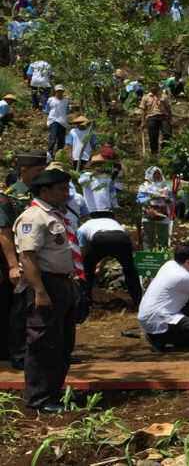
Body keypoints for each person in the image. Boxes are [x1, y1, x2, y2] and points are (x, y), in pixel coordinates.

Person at [13, 168, 79, 412]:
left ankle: (54, 393)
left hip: (63, 282)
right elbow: (28, 257)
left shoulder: (57, 215)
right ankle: (38, 399)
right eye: (61, 189)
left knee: (62, 342)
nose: (66, 193)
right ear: (44, 191)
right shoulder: (34, 217)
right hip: (46, 283)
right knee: (42, 342)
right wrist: (39, 291)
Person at [0, 151, 46, 368]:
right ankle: (19, 355)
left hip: (38, 259)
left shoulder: (40, 195)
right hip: (17, 261)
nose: (42, 174)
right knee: (19, 308)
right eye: (38, 170)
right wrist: (12, 265)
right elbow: (4, 233)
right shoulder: (9, 197)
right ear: (24, 170)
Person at [78, 216, 141, 308]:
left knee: (87, 271)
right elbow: (117, 244)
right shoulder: (113, 222)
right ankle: (137, 300)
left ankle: (86, 301)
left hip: (100, 238)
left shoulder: (82, 228)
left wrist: (90, 265)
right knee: (130, 270)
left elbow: (82, 251)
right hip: (122, 238)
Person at [136, 166, 173, 250]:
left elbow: (172, 201)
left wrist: (166, 198)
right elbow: (139, 200)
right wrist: (153, 196)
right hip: (148, 213)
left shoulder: (166, 186)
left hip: (163, 213)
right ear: (150, 175)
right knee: (148, 236)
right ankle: (148, 255)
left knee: (163, 236)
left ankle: (163, 255)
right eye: (154, 174)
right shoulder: (144, 186)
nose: (157, 176)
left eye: (158, 174)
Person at [139, 85, 172, 155]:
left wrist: (170, 118)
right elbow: (143, 110)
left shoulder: (163, 96)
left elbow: (168, 108)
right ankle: (154, 153)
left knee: (167, 133)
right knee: (153, 136)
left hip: (163, 116)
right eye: (152, 86)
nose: (153, 88)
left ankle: (165, 151)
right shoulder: (146, 97)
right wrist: (143, 122)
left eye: (155, 86)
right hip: (151, 117)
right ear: (150, 88)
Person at [44, 85, 69, 159]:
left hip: (63, 122)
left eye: (61, 91)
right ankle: (49, 154)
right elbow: (46, 109)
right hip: (53, 120)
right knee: (53, 138)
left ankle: (58, 156)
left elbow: (67, 110)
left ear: (63, 92)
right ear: (55, 91)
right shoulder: (50, 100)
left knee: (61, 140)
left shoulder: (66, 100)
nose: (60, 93)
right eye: (58, 91)